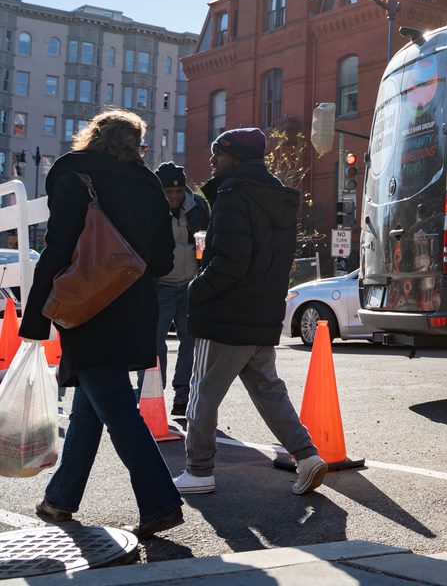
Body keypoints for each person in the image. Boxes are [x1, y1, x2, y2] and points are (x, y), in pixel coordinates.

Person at [19, 110, 184, 538]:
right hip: (134, 306)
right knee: (92, 404)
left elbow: (58, 249)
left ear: (92, 136)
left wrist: (34, 317)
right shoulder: (150, 184)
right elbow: (163, 260)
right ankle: (60, 500)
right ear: (136, 143)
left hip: (88, 306)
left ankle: (161, 502)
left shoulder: (74, 175)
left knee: (116, 407)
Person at [174, 127, 327, 496]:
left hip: (226, 315)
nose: (212, 161)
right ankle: (307, 456)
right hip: (261, 314)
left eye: (218, 154)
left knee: (202, 393)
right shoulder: (278, 199)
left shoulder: (233, 195)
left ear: (236, 157)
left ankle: (198, 471)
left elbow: (229, 261)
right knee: (268, 390)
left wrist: (195, 291)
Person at [140, 162, 210, 417]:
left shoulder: (198, 207)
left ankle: (182, 397)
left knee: (189, 343)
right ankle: (149, 395)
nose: (174, 197)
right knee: (154, 345)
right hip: (160, 287)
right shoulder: (148, 209)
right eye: (168, 192)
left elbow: (210, 241)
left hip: (191, 285)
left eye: (178, 191)